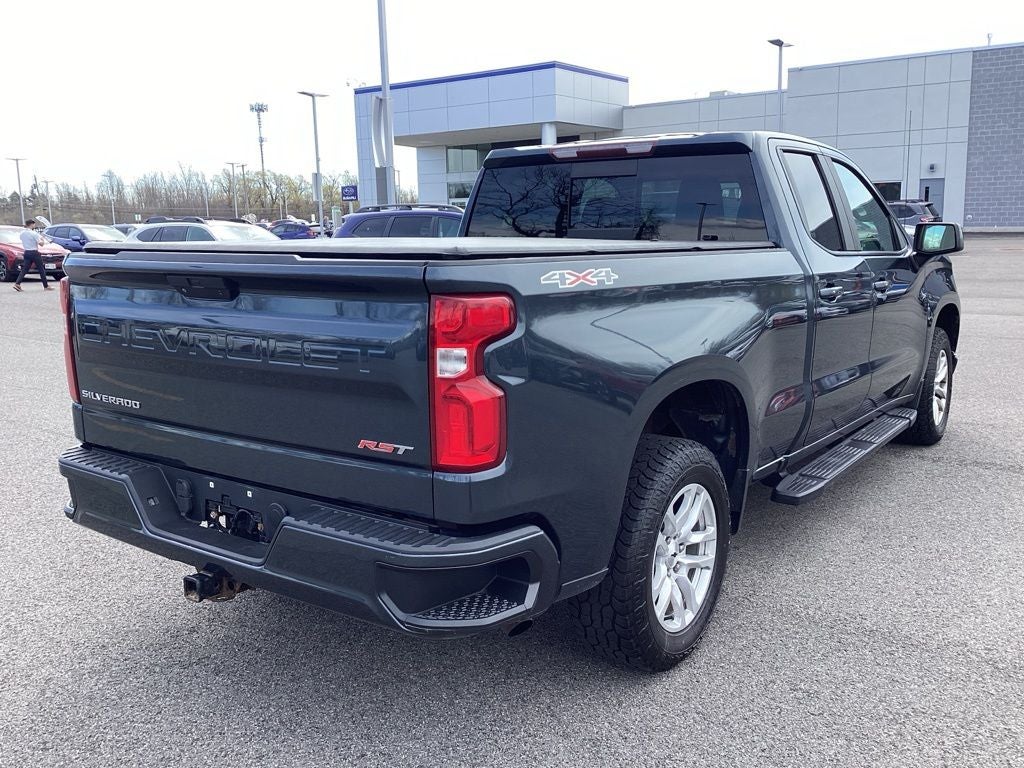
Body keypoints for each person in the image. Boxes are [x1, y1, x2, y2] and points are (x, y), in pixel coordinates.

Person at [13, 220, 52, 292]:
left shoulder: (22, 233)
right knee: (41, 269)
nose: (34, 226)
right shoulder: (34, 233)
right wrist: (42, 239)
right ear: (32, 224)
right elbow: (41, 244)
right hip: (34, 252)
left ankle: (17, 283)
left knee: (25, 269)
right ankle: (46, 286)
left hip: (26, 252)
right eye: (34, 225)